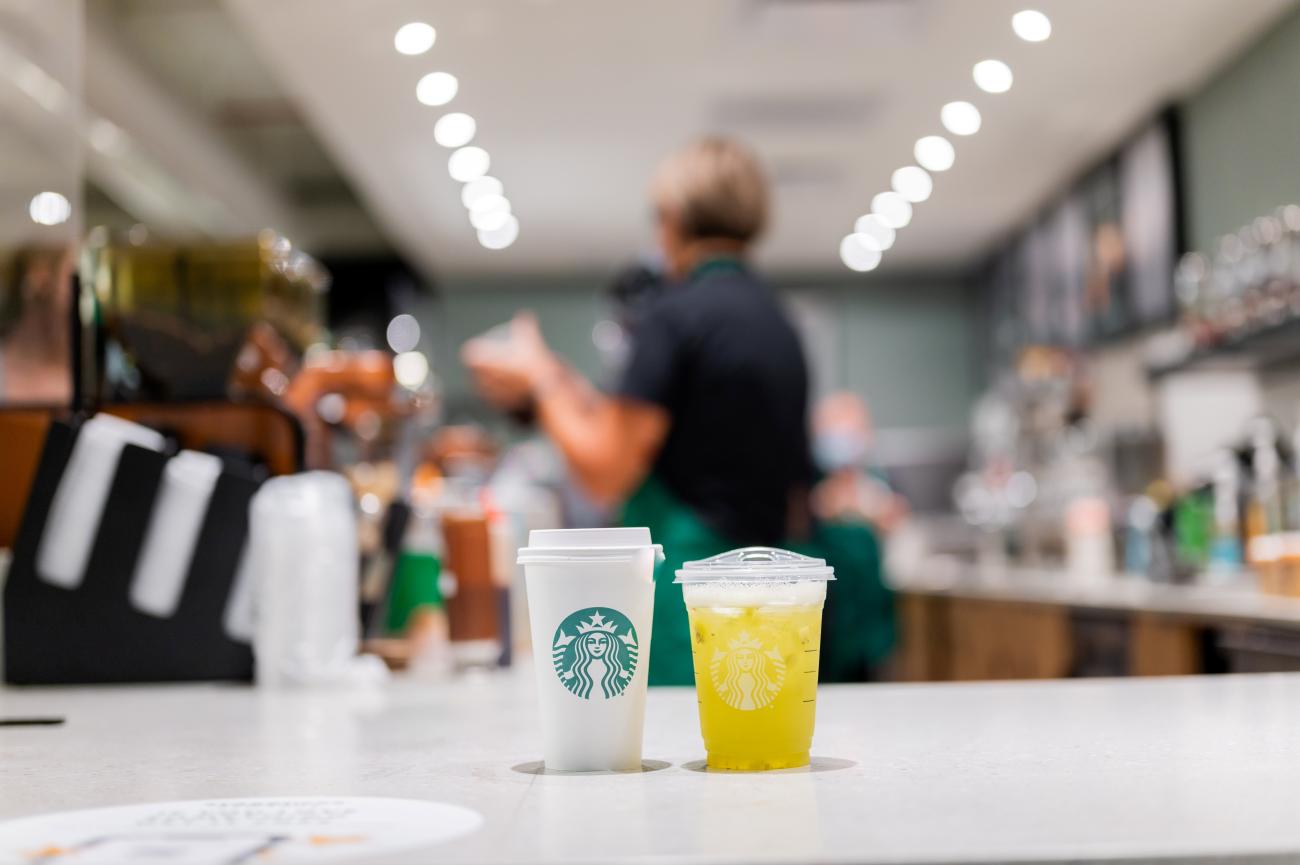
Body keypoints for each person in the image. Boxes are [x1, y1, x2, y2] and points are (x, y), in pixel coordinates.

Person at [464, 137, 892, 684]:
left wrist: (540, 381)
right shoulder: (777, 321)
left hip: (689, 591)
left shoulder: (673, 317)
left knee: (684, 756)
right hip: (769, 590)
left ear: (671, 218)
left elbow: (606, 469)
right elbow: (686, 435)